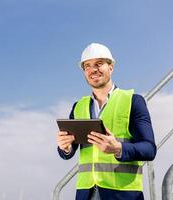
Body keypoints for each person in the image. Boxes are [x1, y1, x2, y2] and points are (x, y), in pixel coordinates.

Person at [57, 43, 157, 200]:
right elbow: (67, 153)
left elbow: (149, 149)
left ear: (111, 67)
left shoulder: (132, 101)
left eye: (99, 64)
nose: (93, 69)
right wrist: (66, 147)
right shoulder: (78, 107)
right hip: (86, 194)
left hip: (123, 194)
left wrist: (118, 148)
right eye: (87, 66)